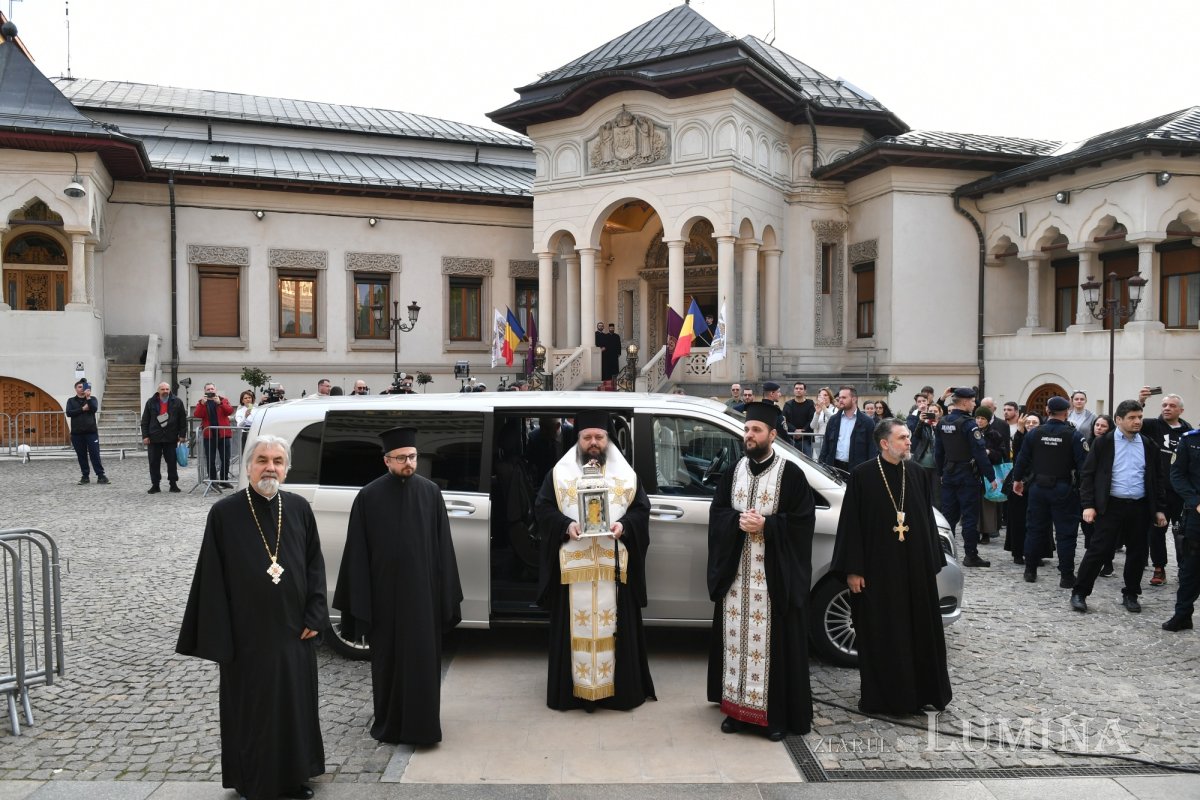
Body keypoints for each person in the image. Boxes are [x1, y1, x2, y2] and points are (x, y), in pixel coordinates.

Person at [176, 435, 328, 800]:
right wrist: (222, 635)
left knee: (295, 706)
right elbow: (211, 576)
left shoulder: (298, 508)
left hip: (295, 630)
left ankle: (296, 777)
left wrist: (316, 613)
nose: (270, 467)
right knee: (252, 709)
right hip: (248, 635)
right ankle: (252, 781)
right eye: (262, 460)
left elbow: (314, 565)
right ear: (248, 467)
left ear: (287, 469)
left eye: (278, 461)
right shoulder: (225, 512)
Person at [333, 427, 463, 744]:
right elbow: (357, 552)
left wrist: (445, 595)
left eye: (413, 457)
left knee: (422, 662)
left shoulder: (430, 492)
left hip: (423, 597)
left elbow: (443, 546)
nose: (408, 462)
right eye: (402, 458)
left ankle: (424, 727)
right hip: (385, 598)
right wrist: (361, 602)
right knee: (388, 663)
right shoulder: (369, 496)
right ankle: (390, 724)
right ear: (387, 461)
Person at [533, 410, 655, 712]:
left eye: (599, 437)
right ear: (578, 440)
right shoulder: (559, 474)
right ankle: (573, 692)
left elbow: (641, 510)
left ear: (608, 439)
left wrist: (624, 526)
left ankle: (617, 693)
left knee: (616, 627)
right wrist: (565, 526)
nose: (593, 442)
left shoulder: (626, 475)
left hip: (613, 567)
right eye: (587, 437)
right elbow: (543, 508)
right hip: (575, 568)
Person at [708, 401, 814, 741]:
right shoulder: (733, 471)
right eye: (747, 429)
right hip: (737, 577)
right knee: (735, 642)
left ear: (773, 434)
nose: (749, 435)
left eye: (756, 430)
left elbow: (802, 524)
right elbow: (718, 513)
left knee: (773, 647)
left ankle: (774, 717)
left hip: (773, 581)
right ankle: (736, 712)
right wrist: (736, 522)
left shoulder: (791, 474)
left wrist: (767, 525)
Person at [833, 419, 952, 715]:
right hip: (878, 571)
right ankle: (884, 697)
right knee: (884, 633)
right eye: (902, 438)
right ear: (885, 443)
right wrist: (854, 569)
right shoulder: (862, 475)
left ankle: (921, 694)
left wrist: (932, 563)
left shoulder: (917, 473)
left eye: (908, 437)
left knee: (918, 630)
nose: (909, 442)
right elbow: (851, 525)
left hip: (914, 570)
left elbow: (925, 520)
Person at [1072, 400, 1167, 614]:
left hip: (1139, 507)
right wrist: (1088, 505)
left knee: (1138, 553)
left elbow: (1157, 479)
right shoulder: (1104, 443)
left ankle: (1131, 593)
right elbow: (1087, 475)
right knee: (1098, 550)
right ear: (1118, 420)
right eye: (1132, 418)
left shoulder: (1148, 444)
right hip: (1110, 505)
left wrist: (1159, 508)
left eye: (1140, 417)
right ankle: (1080, 592)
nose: (1137, 421)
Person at [1010, 396, 1088, 585]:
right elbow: (1084, 466)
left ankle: (1030, 570)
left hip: (1038, 488)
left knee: (1034, 530)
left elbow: (1022, 459)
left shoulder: (1035, 434)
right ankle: (1066, 575)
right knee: (1066, 533)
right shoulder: (1074, 435)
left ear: (1047, 411)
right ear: (1067, 412)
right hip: (1063, 488)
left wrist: (1017, 480)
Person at [934, 387, 996, 567]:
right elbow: (979, 453)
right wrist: (990, 477)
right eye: (972, 401)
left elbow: (939, 451)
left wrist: (941, 473)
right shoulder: (969, 424)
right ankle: (971, 555)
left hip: (949, 473)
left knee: (948, 516)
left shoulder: (943, 421)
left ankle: (943, 553)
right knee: (969, 517)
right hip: (967, 475)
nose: (974, 404)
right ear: (963, 402)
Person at [1139, 390, 1192, 587]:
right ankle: (1159, 568)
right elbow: (1131, 421)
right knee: (1156, 531)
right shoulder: (1153, 426)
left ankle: (1184, 567)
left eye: (1171, 406)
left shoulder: (1188, 432)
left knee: (1182, 532)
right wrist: (1141, 402)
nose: (1167, 408)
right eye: (1164, 405)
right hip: (1158, 490)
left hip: (1181, 492)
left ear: (1181, 410)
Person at [1164, 426, 1200, 631]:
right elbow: (1177, 474)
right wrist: (1195, 501)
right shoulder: (1190, 440)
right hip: (1197, 513)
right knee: (1191, 567)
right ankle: (1183, 614)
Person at [1079, 415, 1116, 578]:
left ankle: (1107, 561)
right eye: (1097, 425)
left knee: (1103, 530)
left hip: (1104, 493)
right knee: (1088, 528)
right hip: (1087, 491)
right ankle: (1093, 557)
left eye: (1103, 426)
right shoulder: (1087, 443)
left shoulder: (1112, 445)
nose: (1099, 428)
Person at [140, 381, 187, 494]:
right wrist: (145, 436)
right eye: (163, 389)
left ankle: (173, 484)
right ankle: (155, 485)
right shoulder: (150, 402)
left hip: (171, 437)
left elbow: (182, 420)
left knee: (171, 462)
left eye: (167, 389)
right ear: (158, 390)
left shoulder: (177, 402)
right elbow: (145, 420)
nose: (165, 391)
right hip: (154, 437)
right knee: (153, 462)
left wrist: (182, 435)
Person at [819, 385, 878, 473]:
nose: (840, 400)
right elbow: (826, 445)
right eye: (839, 398)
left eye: (844, 397)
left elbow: (872, 449)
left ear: (854, 399)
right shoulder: (833, 420)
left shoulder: (867, 422)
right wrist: (821, 464)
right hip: (834, 468)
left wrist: (870, 470)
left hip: (858, 468)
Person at [66, 378, 108, 485]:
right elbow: (69, 413)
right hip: (77, 433)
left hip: (91, 432)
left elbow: (93, 409)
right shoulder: (71, 401)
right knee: (81, 455)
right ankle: (85, 476)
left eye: (84, 387)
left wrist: (88, 397)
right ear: (75, 389)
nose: (82, 389)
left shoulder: (92, 399)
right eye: (79, 387)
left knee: (95, 454)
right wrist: (82, 409)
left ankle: (100, 475)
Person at [974, 408, 1006, 545]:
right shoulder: (971, 432)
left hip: (989, 472)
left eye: (983, 418)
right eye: (978, 418)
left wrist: (989, 452)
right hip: (974, 471)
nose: (979, 421)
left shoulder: (994, 435)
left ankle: (986, 532)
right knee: (974, 503)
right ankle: (975, 530)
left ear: (988, 420)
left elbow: (1001, 454)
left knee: (987, 504)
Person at [195, 383, 235, 487]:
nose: (210, 391)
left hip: (223, 434)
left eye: (212, 389)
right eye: (208, 389)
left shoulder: (223, 400)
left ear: (215, 390)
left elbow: (230, 411)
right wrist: (203, 404)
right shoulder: (202, 402)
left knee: (225, 458)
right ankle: (213, 481)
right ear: (205, 391)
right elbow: (198, 414)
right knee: (210, 459)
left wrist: (220, 403)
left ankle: (224, 480)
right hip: (209, 435)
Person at [782, 381, 816, 457]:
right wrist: (794, 430)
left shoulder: (810, 404)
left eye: (801, 389)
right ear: (794, 390)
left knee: (808, 463)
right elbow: (784, 420)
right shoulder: (788, 404)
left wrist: (802, 431)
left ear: (805, 391)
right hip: (791, 439)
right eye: (796, 388)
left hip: (806, 439)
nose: (798, 390)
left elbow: (812, 420)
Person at [811, 387, 836, 456]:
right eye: (820, 395)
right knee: (815, 459)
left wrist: (824, 408)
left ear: (830, 397)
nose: (823, 397)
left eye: (825, 395)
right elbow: (813, 426)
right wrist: (817, 413)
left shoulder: (835, 409)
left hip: (829, 440)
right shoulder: (817, 409)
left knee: (827, 460)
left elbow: (833, 420)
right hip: (817, 441)